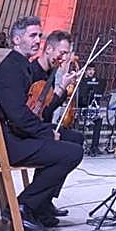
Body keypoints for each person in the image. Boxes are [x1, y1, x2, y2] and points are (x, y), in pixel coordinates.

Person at [0, 16, 83, 231]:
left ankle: (37, 205)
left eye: (39, 35)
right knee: (72, 152)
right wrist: (48, 133)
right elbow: (19, 116)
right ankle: (23, 206)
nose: (38, 40)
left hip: (12, 137)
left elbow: (35, 112)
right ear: (17, 40)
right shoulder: (11, 69)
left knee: (73, 142)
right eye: (32, 35)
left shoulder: (21, 66)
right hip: (2, 144)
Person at [27, 30, 84, 217]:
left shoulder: (50, 73)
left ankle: (46, 198)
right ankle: (33, 202)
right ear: (49, 49)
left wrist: (62, 88)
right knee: (68, 150)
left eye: (66, 53)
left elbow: (47, 110)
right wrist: (46, 132)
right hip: (28, 130)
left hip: (39, 125)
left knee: (76, 138)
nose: (64, 58)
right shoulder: (31, 71)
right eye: (62, 52)